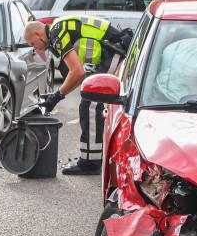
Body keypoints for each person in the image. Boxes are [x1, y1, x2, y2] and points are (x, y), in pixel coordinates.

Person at [24, 16, 128, 175]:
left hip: (114, 50)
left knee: (91, 104)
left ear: (38, 34)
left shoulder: (57, 34)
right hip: (114, 48)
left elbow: (77, 72)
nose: (35, 48)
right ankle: (94, 157)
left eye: (33, 43)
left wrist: (57, 96)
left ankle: (91, 162)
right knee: (89, 101)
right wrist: (57, 96)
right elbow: (78, 76)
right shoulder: (58, 30)